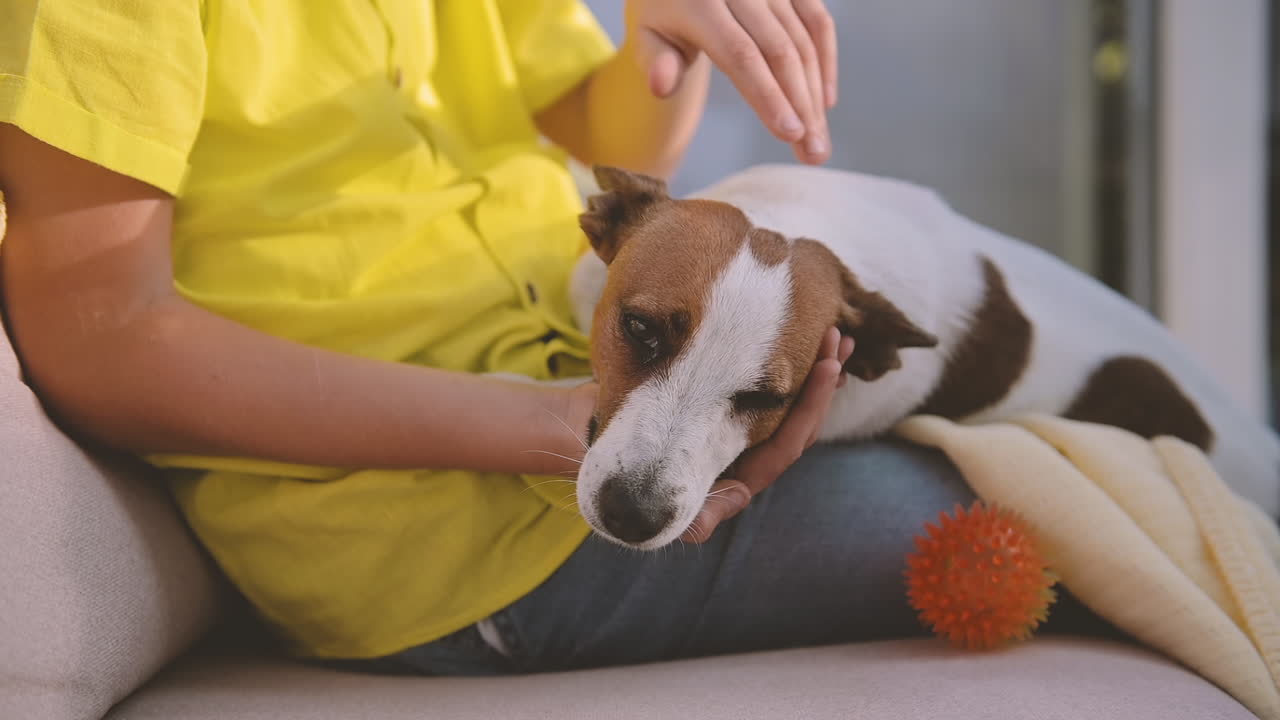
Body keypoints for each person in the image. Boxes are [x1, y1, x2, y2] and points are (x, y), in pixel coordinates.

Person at [0, 1, 1106, 674]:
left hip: (603, 388)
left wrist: (661, 30)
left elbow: (608, 130)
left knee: (1075, 469)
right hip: (435, 543)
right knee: (1079, 519)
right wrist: (554, 424)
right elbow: (105, 339)